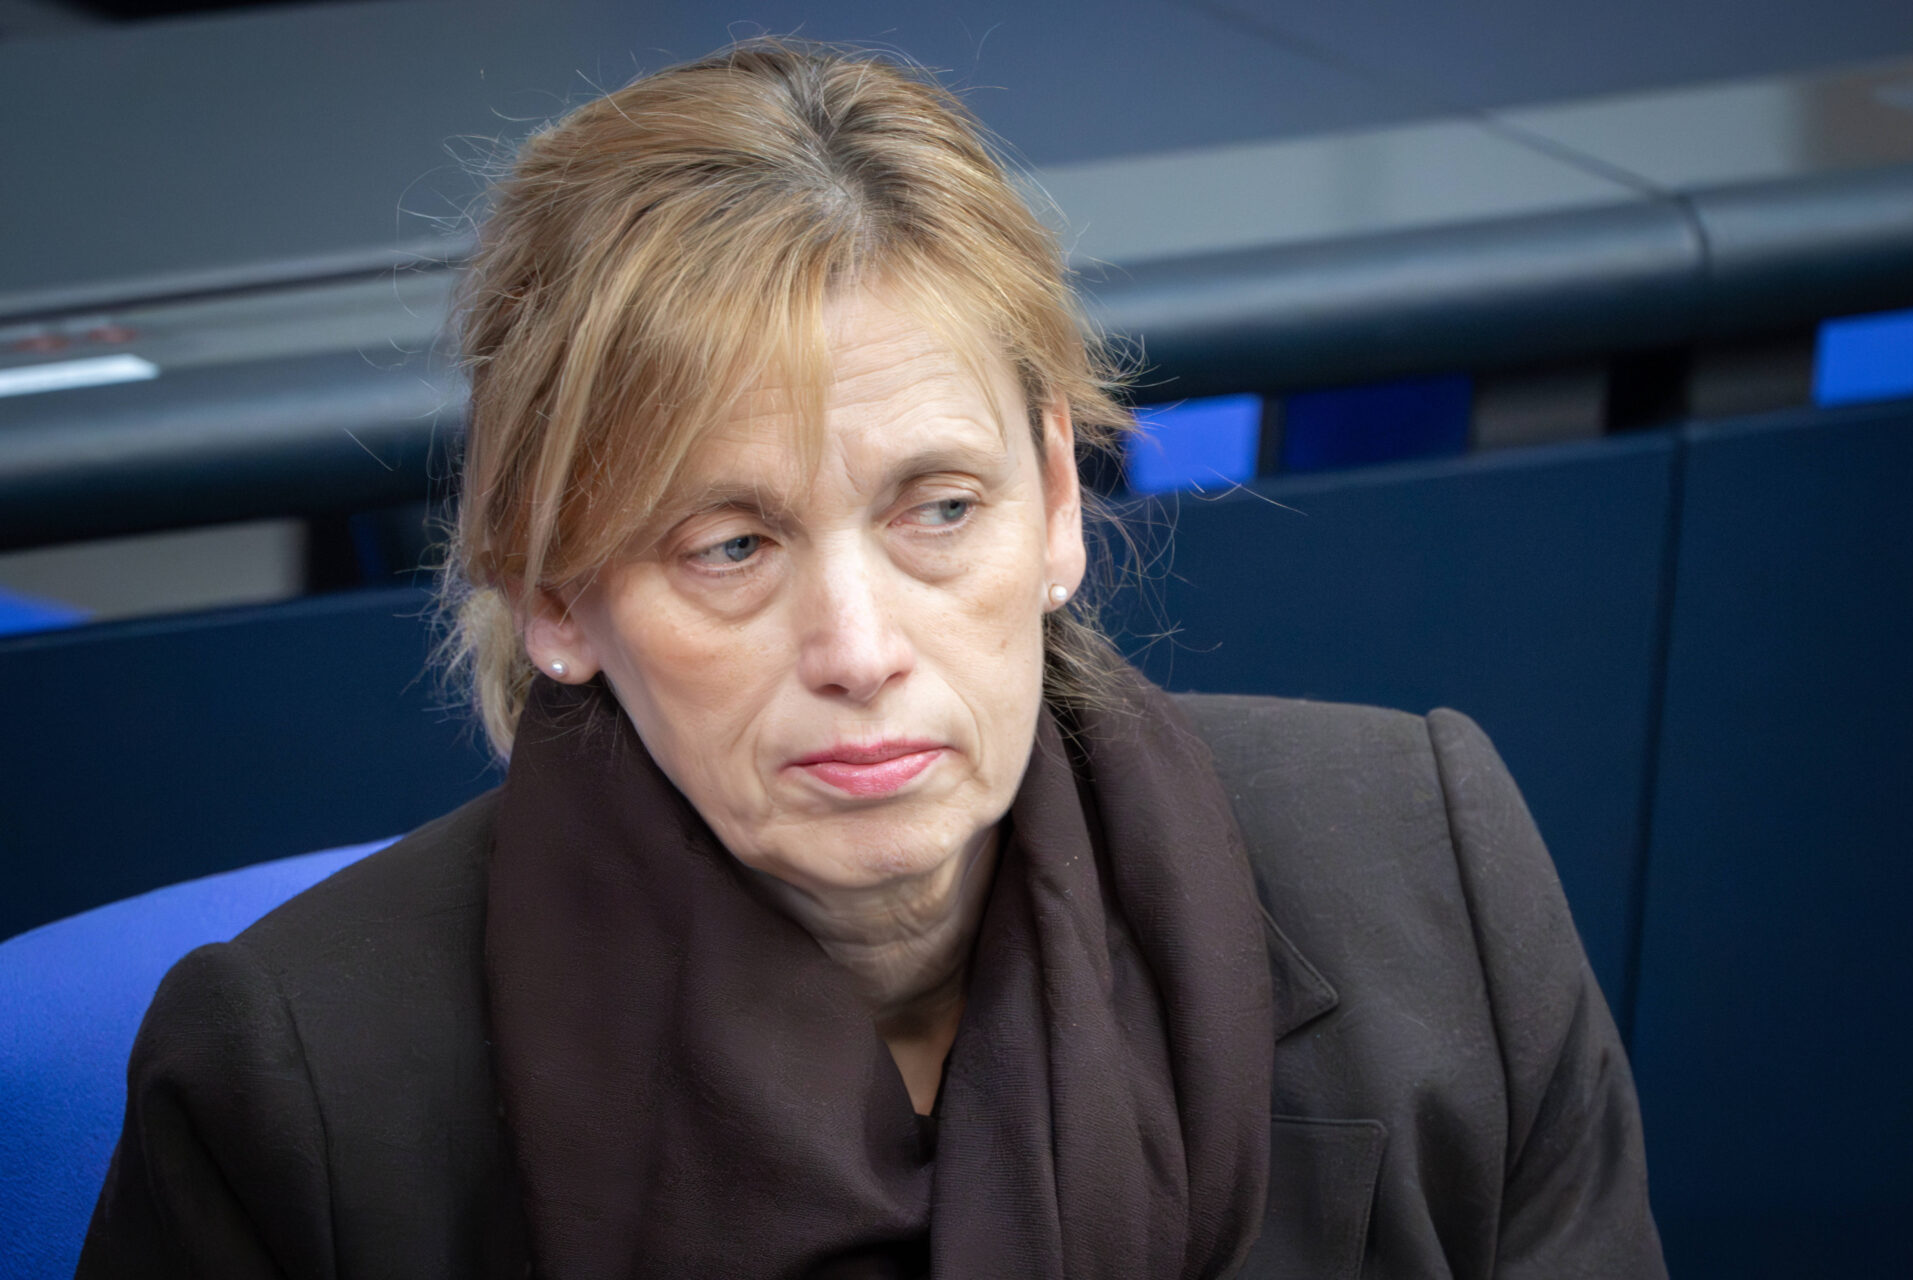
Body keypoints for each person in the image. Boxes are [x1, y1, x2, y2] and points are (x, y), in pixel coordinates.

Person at [77, 39, 1665, 1279]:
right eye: (729, 547)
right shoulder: (293, 1090)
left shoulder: (1429, 874)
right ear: (553, 596)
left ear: (1058, 504)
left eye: (940, 510)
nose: (857, 649)